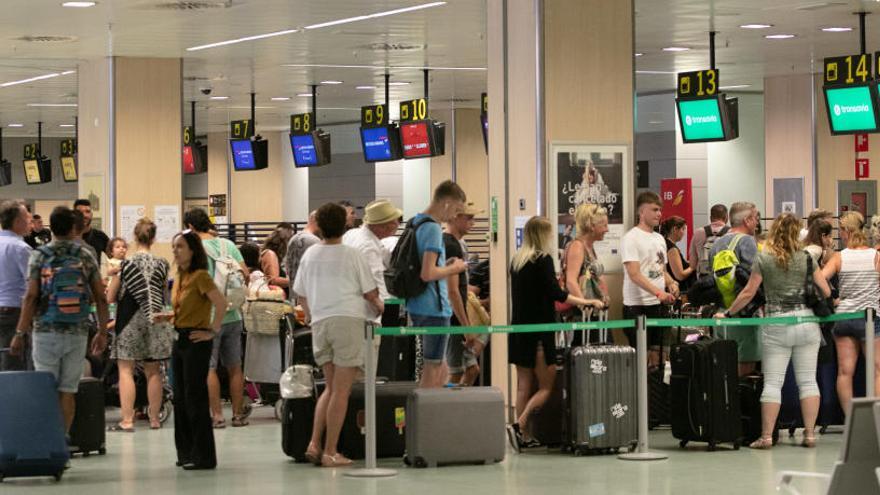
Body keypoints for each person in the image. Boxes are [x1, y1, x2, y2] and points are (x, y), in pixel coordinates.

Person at [717, 213, 831, 450]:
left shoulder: (764, 257)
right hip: (807, 322)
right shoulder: (807, 257)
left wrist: (727, 313)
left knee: (772, 383)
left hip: (776, 323)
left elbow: (748, 292)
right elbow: (826, 291)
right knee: (808, 381)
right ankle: (809, 435)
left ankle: (767, 437)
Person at [294, 203, 384, 468]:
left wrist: (311, 317)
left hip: (320, 324)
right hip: (348, 322)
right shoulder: (352, 254)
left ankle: (314, 443)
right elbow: (370, 293)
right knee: (342, 391)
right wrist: (380, 308)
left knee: (331, 387)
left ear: (318, 226)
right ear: (344, 225)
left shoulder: (310, 255)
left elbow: (301, 294)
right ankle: (330, 452)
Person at [507, 216, 603, 451]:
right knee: (546, 386)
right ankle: (519, 425)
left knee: (523, 386)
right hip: (540, 331)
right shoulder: (543, 260)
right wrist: (586, 300)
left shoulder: (517, 261)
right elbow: (556, 294)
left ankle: (525, 435)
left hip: (519, 329)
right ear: (543, 235)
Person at [11, 206, 109, 434]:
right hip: (77, 330)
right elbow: (101, 298)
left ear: (50, 228)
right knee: (68, 390)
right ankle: (63, 440)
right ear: (75, 227)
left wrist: (19, 333)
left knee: (47, 388)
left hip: (45, 330)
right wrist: (102, 332)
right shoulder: (85, 254)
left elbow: (31, 296)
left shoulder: (40, 255)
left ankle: (49, 442)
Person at [159, 231, 227, 470]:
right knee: (180, 397)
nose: (175, 251)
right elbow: (183, 307)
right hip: (180, 338)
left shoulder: (201, 276)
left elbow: (221, 303)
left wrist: (213, 330)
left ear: (192, 250)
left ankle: (204, 456)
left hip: (197, 340)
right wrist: (168, 316)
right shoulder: (179, 276)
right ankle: (185, 452)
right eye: (174, 246)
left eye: (180, 246)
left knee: (194, 397)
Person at [182, 208, 250, 428]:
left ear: (190, 227)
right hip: (233, 314)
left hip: (208, 317)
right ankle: (238, 415)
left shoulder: (194, 249)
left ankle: (217, 416)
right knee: (235, 367)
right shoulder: (227, 245)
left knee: (209, 367)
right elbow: (245, 274)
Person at [106, 219, 173, 432]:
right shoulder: (163, 263)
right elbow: (164, 294)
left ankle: (127, 420)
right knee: (153, 371)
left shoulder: (125, 265)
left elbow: (110, 296)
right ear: (153, 238)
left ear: (134, 237)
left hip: (129, 321)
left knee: (125, 370)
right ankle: (154, 418)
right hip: (155, 320)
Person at [405, 180, 469, 388]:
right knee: (433, 368)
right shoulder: (432, 228)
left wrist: (445, 264)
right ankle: (426, 417)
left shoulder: (416, 222)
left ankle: (430, 412)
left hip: (417, 304)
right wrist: (455, 269)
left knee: (438, 367)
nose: (453, 217)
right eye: (456, 210)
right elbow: (428, 272)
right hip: (434, 308)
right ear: (448, 203)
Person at [820, 212, 880, 414]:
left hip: (844, 317)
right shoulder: (875, 256)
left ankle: (851, 419)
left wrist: (833, 297)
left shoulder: (839, 257)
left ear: (846, 231)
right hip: (870, 317)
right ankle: (875, 417)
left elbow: (819, 279)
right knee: (877, 370)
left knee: (845, 372)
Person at [621, 191, 678, 368]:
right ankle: (641, 396)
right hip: (638, 306)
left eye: (660, 210)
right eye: (654, 209)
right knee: (641, 360)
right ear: (642, 212)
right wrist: (658, 292)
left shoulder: (660, 238)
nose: (659, 214)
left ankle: (657, 395)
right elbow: (634, 274)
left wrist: (671, 283)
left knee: (659, 357)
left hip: (658, 306)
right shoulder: (631, 238)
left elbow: (661, 270)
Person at [709, 201, 762, 376]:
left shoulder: (716, 244)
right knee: (745, 371)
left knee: (724, 368)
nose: (757, 223)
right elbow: (754, 280)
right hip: (743, 316)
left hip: (721, 312)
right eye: (755, 218)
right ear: (747, 220)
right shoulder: (747, 242)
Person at [444, 202, 485, 386]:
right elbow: (452, 291)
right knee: (454, 372)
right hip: (453, 320)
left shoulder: (453, 244)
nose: (472, 222)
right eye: (468, 218)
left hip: (454, 318)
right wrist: (466, 327)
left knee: (470, 370)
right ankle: (444, 411)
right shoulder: (451, 246)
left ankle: (454, 410)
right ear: (454, 217)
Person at [561, 203, 610, 344]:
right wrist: (584, 305)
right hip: (583, 314)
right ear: (591, 226)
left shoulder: (589, 247)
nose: (607, 230)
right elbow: (571, 281)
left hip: (594, 311)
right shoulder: (577, 247)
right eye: (604, 225)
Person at [342, 198, 401, 304]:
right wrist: (393, 305)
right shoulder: (369, 248)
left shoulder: (351, 234)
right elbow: (376, 287)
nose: (398, 224)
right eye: (396, 221)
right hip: (365, 311)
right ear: (383, 226)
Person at [0, 201, 33, 371]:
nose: (31, 222)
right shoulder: (21, 248)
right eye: (28, 218)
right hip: (13, 313)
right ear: (17, 222)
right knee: (12, 365)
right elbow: (33, 286)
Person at [286, 210, 321, 304]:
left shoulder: (293, 239)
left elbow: (287, 267)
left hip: (293, 295)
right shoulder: (314, 241)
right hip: (308, 298)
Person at [689, 204, 729, 279]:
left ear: (710, 218)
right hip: (725, 280)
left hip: (703, 279)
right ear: (726, 217)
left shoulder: (698, 232)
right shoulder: (731, 233)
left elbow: (692, 264)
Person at [662, 215, 695, 293]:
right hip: (678, 290)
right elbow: (680, 275)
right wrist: (693, 266)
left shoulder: (666, 243)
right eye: (683, 229)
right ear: (675, 229)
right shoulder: (672, 249)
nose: (684, 233)